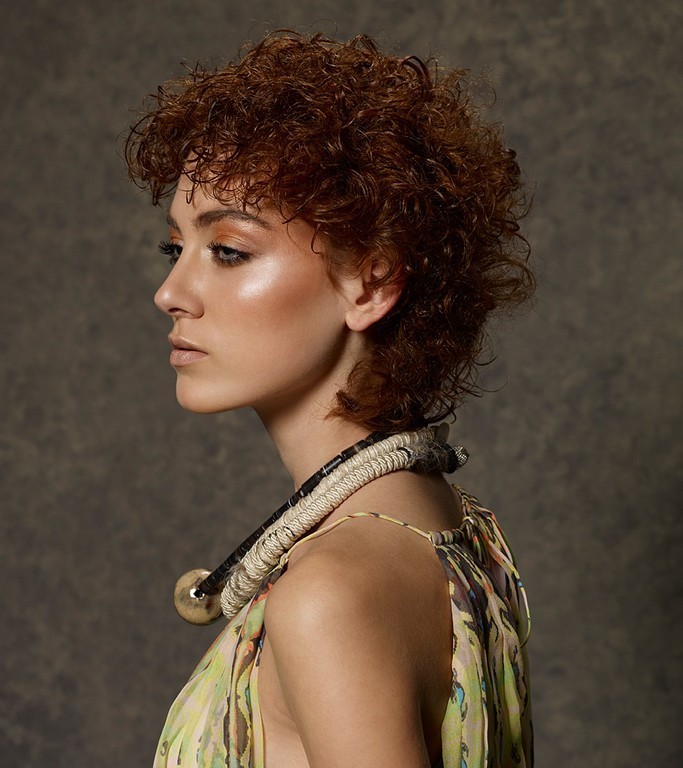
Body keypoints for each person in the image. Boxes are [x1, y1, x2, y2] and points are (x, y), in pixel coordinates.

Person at [125, 30, 534, 768]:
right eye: (174, 248)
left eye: (228, 251)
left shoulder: (330, 593)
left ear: (370, 283)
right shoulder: (443, 519)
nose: (171, 292)